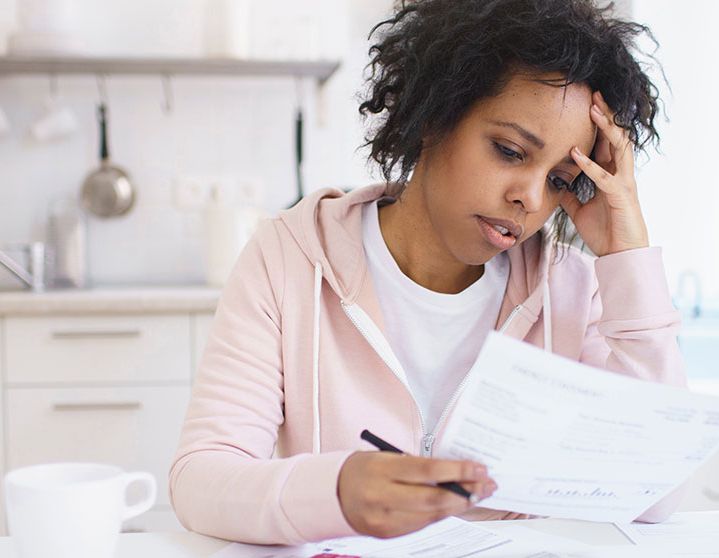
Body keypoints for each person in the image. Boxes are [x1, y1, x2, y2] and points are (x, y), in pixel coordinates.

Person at [170, 0, 687, 545]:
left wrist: (626, 258)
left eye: (560, 179)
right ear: (433, 116)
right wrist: (338, 492)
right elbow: (200, 479)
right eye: (510, 151)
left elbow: (654, 494)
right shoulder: (290, 260)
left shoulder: (575, 289)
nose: (530, 198)